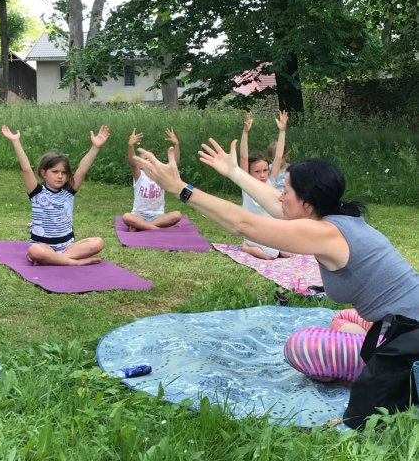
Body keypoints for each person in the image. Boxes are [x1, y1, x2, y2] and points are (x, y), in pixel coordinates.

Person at [132, 138, 419, 386]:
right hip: (404, 320)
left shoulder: (326, 233)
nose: (280, 195)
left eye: (286, 191)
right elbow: (274, 203)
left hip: (410, 338)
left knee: (301, 346)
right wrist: (234, 172)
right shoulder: (333, 217)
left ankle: (394, 368)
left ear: (307, 203)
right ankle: (369, 351)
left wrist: (180, 188)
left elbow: (243, 224)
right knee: (342, 319)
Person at [1, 124, 110, 266]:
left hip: (67, 247)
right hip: (44, 247)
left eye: (64, 173)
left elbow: (82, 170)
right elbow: (26, 169)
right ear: (44, 173)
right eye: (55, 172)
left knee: (98, 242)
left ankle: (56, 259)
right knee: (35, 251)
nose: (60, 176)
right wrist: (15, 141)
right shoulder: (37, 192)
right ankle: (75, 263)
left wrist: (95, 147)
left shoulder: (68, 192)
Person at [239, 110, 289, 259]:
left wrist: (282, 131)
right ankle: (246, 246)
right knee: (271, 255)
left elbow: (278, 156)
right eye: (257, 171)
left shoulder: (270, 181)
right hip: (252, 230)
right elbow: (243, 158)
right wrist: (245, 132)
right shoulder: (247, 184)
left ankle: (263, 246)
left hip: (269, 231)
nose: (262, 175)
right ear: (249, 173)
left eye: (265, 170)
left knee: (287, 253)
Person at [122, 128, 182, 231]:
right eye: (145, 159)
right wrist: (130, 146)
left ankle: (143, 226)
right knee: (127, 217)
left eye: (151, 158)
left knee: (177, 215)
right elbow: (133, 163)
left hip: (158, 216)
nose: (148, 161)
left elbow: (174, 164)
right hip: (139, 215)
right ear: (140, 164)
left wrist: (176, 144)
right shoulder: (139, 175)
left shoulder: (161, 175)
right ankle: (156, 228)